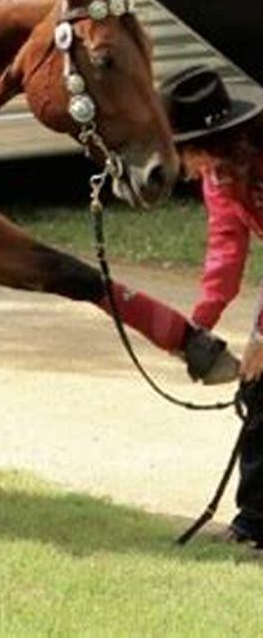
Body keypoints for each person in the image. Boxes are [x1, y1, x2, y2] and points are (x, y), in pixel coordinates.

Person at [163, 65, 263, 546]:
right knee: (259, 392)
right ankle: (254, 525)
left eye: (186, 151)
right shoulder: (219, 174)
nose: (186, 166)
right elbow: (227, 247)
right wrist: (197, 324)